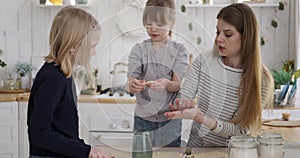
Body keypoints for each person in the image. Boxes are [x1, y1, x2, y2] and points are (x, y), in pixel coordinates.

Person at [164, 3, 274, 147]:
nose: (219, 39)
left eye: (228, 34)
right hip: (196, 152)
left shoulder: (261, 79)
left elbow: (240, 131)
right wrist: (181, 103)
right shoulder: (204, 60)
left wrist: (200, 118)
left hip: (232, 153)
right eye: (217, 32)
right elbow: (184, 97)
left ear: (246, 36)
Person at [27, 6, 112, 158]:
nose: (93, 52)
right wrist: (87, 151)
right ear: (73, 46)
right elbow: (39, 133)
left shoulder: (63, 74)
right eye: (92, 46)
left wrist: (85, 149)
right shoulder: (53, 78)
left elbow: (63, 131)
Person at [127, 0, 189, 147]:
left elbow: (177, 84)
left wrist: (167, 84)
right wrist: (132, 84)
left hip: (170, 120)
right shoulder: (138, 50)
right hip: (143, 119)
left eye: (160, 25)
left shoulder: (180, 51)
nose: (153, 29)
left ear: (172, 23)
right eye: (149, 23)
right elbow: (130, 82)